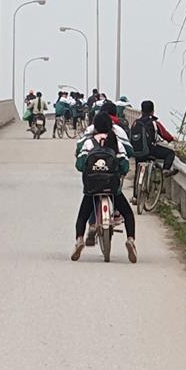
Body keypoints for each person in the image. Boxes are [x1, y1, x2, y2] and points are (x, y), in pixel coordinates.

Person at [72, 112, 137, 263]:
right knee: (127, 213)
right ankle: (130, 240)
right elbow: (124, 166)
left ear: (94, 126)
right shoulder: (116, 142)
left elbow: (80, 165)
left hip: (92, 188)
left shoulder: (88, 143)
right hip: (112, 187)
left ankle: (79, 240)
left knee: (83, 215)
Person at [131, 99, 178, 176]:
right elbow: (165, 135)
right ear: (152, 111)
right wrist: (172, 138)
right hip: (150, 150)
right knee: (170, 153)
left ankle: (137, 184)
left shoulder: (135, 122)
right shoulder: (154, 122)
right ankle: (165, 170)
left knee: (138, 166)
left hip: (136, 151)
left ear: (141, 111)